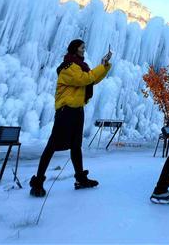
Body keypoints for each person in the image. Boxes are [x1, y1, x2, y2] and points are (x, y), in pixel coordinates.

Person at [29, 39, 112, 197]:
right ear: (74, 49)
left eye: (84, 47)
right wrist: (101, 67)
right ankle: (38, 182)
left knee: (76, 146)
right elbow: (85, 79)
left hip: (77, 111)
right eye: (82, 48)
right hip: (66, 111)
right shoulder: (68, 67)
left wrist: (104, 65)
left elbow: (91, 79)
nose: (84, 50)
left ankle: (81, 179)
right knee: (52, 146)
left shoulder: (80, 67)